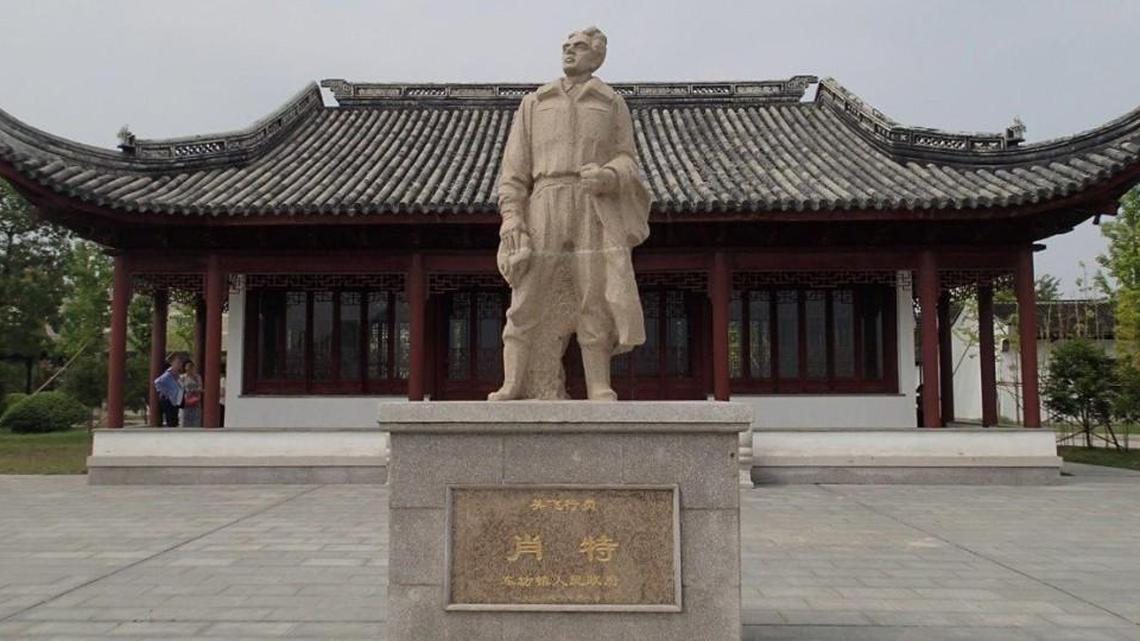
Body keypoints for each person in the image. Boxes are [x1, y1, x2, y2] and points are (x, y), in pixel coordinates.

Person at [490, 26, 650, 401]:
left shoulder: (610, 103)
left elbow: (628, 159)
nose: (568, 52)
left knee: (591, 293)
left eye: (578, 47)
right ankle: (513, 382)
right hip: (543, 200)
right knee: (526, 294)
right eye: (565, 46)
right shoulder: (535, 103)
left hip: (590, 204)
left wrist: (609, 175)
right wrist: (513, 219)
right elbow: (513, 173)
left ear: (597, 56)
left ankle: (598, 384)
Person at [153, 354, 184, 427]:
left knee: (174, 419)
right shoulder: (168, 374)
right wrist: (165, 392)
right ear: (172, 363)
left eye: (180, 363)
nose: (179, 364)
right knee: (170, 419)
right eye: (177, 362)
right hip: (168, 399)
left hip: (175, 399)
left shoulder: (177, 374)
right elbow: (157, 382)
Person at [180, 360, 202, 427]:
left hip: (195, 402)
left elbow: (200, 388)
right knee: (184, 422)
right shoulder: (182, 377)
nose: (190, 370)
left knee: (195, 423)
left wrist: (194, 390)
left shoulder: (197, 377)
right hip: (185, 403)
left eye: (191, 368)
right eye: (188, 368)